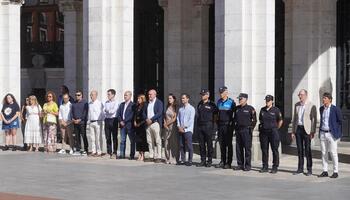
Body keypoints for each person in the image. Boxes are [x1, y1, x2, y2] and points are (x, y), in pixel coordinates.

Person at [291, 89, 317, 176]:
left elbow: (314, 119)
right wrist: (293, 131)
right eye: (299, 95)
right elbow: (295, 118)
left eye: (301, 95)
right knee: (299, 149)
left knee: (307, 149)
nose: (299, 96)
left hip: (307, 130)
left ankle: (309, 169)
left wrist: (313, 131)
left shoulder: (311, 105)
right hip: (298, 129)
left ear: (306, 95)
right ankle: (300, 168)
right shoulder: (297, 105)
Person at [318, 92, 343, 179]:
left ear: (329, 99)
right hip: (322, 133)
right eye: (323, 98)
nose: (323, 99)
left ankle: (335, 171)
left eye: (325, 98)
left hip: (331, 134)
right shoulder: (321, 108)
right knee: (324, 152)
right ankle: (325, 171)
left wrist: (338, 133)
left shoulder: (335, 109)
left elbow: (340, 121)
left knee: (333, 153)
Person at [258, 95, 283, 174]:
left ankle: (275, 166)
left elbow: (280, 121)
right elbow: (260, 120)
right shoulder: (262, 110)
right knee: (264, 150)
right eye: (266, 100)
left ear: (272, 101)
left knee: (274, 150)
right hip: (264, 132)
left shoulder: (276, 110)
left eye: (268, 100)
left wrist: (276, 128)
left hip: (273, 132)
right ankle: (265, 166)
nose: (267, 102)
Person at [232, 93, 257, 171]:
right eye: (239, 99)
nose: (239, 100)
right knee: (238, 148)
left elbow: (254, 120)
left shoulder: (250, 109)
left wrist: (251, 128)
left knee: (247, 149)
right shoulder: (236, 108)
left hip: (246, 130)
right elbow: (234, 119)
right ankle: (240, 164)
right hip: (238, 130)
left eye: (241, 99)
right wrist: (235, 128)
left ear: (246, 99)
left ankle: (247, 165)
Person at [196, 89, 217, 167]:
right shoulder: (199, 104)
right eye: (201, 94)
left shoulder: (212, 104)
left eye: (204, 94)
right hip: (200, 125)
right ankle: (203, 160)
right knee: (201, 144)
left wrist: (212, 123)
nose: (202, 96)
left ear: (208, 95)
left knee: (209, 143)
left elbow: (215, 114)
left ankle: (210, 160)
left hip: (208, 125)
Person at [215, 86, 235, 169]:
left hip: (228, 126)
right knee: (221, 144)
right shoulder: (219, 102)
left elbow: (234, 115)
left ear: (226, 92)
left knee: (228, 145)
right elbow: (217, 114)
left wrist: (232, 126)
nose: (221, 94)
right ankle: (222, 161)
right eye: (220, 92)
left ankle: (228, 162)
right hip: (221, 126)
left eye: (222, 92)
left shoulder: (231, 102)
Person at [144, 89, 164, 163]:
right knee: (149, 141)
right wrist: (146, 119)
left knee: (158, 140)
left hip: (155, 123)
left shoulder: (159, 102)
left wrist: (151, 119)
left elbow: (159, 113)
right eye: (148, 94)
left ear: (155, 94)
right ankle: (151, 155)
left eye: (151, 94)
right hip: (148, 124)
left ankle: (159, 156)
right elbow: (144, 112)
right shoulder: (147, 103)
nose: (149, 96)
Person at [177, 93, 196, 166]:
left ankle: (190, 160)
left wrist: (184, 127)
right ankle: (183, 159)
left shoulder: (191, 108)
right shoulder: (180, 109)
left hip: (188, 130)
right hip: (181, 129)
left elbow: (191, 120)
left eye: (184, 98)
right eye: (182, 98)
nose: (182, 99)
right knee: (181, 145)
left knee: (189, 145)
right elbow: (178, 118)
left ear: (188, 99)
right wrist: (179, 126)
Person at [117, 91, 136, 159]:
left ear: (130, 96)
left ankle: (132, 155)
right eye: (124, 95)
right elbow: (118, 114)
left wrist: (124, 121)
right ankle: (122, 155)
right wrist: (120, 121)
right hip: (122, 126)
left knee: (132, 141)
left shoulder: (133, 104)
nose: (125, 96)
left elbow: (132, 115)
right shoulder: (121, 104)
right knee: (122, 141)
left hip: (129, 125)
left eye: (126, 95)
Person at [71, 90, 89, 156]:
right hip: (75, 122)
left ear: (81, 95)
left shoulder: (85, 103)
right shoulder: (74, 103)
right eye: (76, 95)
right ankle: (78, 149)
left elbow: (85, 113)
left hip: (82, 122)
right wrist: (73, 119)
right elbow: (72, 112)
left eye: (78, 95)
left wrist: (80, 119)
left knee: (84, 136)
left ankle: (86, 149)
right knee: (77, 136)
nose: (77, 96)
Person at [88, 90, 104, 157]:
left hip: (98, 122)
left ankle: (99, 151)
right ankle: (93, 151)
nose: (91, 96)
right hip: (91, 122)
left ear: (96, 95)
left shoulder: (100, 103)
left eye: (93, 95)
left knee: (98, 138)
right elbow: (89, 113)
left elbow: (103, 113)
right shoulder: (90, 103)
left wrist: (101, 120)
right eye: (91, 95)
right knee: (92, 138)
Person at [163, 94, 179, 164]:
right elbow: (165, 116)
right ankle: (167, 158)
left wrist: (167, 123)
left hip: (173, 126)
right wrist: (164, 123)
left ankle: (174, 158)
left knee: (173, 142)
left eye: (170, 98)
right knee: (166, 143)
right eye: (168, 98)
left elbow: (174, 118)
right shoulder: (167, 106)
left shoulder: (175, 107)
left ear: (174, 99)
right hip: (166, 127)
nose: (169, 100)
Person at [104, 89, 119, 159]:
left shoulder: (116, 103)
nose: (108, 96)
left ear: (113, 95)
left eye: (109, 94)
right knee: (108, 137)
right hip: (107, 120)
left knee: (114, 137)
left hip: (114, 120)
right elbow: (104, 111)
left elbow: (113, 111)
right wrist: (107, 111)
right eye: (107, 94)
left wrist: (107, 110)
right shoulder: (106, 102)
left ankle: (115, 152)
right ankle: (109, 151)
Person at [134, 94, 149, 161]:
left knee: (142, 140)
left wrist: (140, 123)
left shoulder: (145, 105)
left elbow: (145, 115)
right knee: (138, 140)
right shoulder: (137, 106)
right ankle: (139, 153)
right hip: (137, 124)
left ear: (142, 99)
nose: (138, 100)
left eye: (139, 99)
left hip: (142, 124)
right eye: (138, 99)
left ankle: (143, 154)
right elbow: (135, 114)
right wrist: (134, 121)